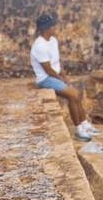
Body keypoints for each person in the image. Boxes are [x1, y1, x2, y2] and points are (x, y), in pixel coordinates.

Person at [31, 13, 97, 141]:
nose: (55, 27)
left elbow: (57, 62)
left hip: (54, 75)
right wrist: (60, 79)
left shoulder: (53, 40)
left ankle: (85, 124)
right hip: (45, 79)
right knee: (72, 95)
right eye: (53, 25)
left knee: (76, 94)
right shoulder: (39, 46)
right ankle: (78, 130)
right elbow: (48, 69)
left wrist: (64, 76)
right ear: (46, 28)